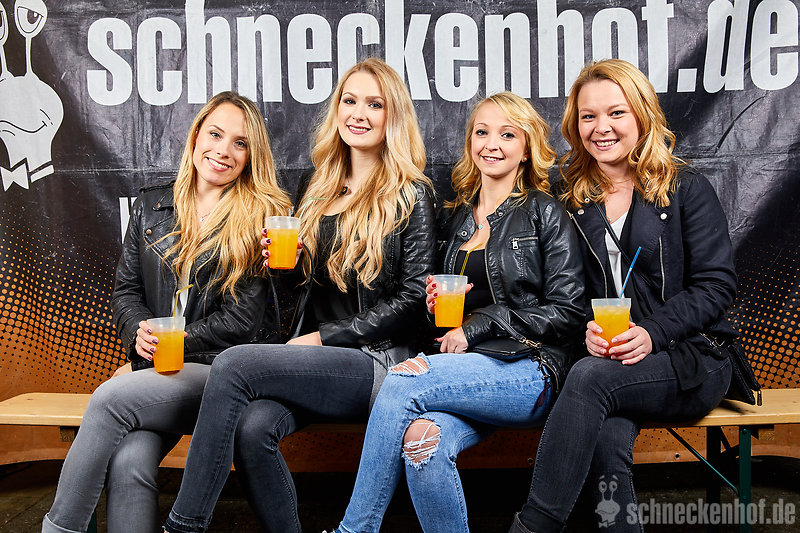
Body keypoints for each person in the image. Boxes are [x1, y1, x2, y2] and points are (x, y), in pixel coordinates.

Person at [162, 57, 436, 533]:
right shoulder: (317, 184)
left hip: (379, 362)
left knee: (234, 363)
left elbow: (414, 299)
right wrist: (286, 269)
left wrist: (325, 338)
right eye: (350, 101)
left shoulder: (412, 193)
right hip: (313, 360)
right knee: (253, 430)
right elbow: (299, 295)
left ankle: (183, 526)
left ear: (393, 117)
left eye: (374, 105)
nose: (359, 114)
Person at [329, 91, 586, 533]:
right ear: (469, 142)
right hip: (465, 370)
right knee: (422, 440)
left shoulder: (545, 212)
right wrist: (435, 310)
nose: (492, 144)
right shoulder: (457, 220)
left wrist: (479, 325)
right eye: (482, 132)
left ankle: (354, 530)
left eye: (508, 135)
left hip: (530, 368)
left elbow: (568, 311)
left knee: (402, 380)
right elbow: (444, 320)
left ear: (527, 149)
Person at [42, 91, 292, 533]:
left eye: (240, 143)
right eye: (215, 134)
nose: (223, 150)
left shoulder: (260, 218)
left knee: (109, 399)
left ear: (251, 156)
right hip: (159, 370)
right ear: (196, 137)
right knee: (130, 459)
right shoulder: (151, 205)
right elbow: (126, 290)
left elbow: (242, 320)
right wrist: (137, 334)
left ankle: (59, 529)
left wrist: (165, 343)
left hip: (222, 374)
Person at [510, 59, 736, 533]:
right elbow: (564, 294)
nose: (602, 127)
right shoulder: (571, 198)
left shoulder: (685, 188)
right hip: (612, 362)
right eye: (588, 116)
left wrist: (652, 333)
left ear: (642, 115)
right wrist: (586, 332)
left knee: (589, 379)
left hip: (692, 358)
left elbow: (716, 287)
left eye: (616, 113)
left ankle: (533, 526)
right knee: (605, 439)